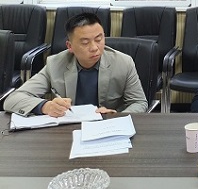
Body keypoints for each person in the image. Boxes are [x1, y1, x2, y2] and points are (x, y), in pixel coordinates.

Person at [4, 12, 147, 116]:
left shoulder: (123, 63)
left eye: (99, 39)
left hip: (107, 129)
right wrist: (44, 106)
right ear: (70, 46)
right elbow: (12, 100)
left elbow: (139, 103)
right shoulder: (55, 64)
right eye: (85, 42)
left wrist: (116, 115)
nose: (94, 47)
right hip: (68, 130)